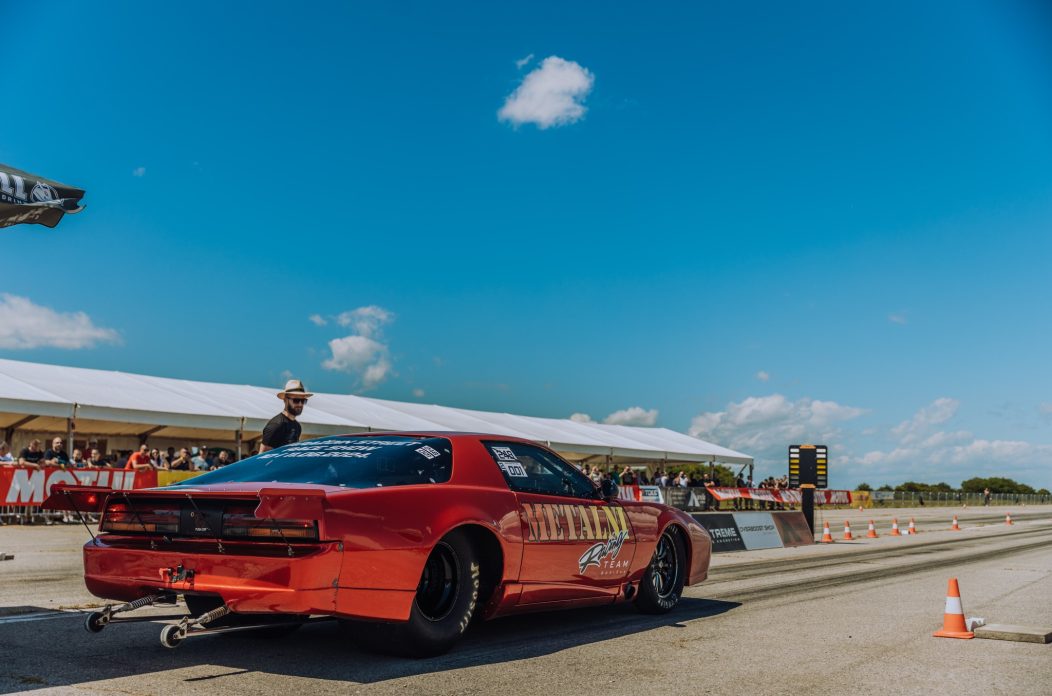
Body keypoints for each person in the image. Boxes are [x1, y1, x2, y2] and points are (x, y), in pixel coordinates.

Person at [260, 379, 312, 453]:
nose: (300, 404)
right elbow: (261, 458)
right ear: (285, 400)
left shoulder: (297, 426)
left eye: (303, 401)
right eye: (296, 400)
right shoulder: (276, 425)